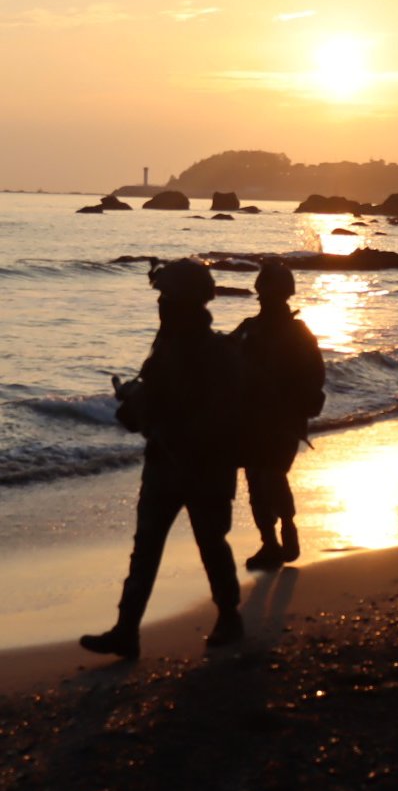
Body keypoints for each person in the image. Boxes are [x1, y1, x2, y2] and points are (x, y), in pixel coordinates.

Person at [80, 258, 242, 659]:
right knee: (148, 546)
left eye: (167, 297)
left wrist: (143, 408)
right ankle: (126, 630)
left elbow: (205, 411)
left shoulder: (208, 353)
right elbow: (150, 405)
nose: (161, 305)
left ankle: (229, 618)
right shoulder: (172, 347)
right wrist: (136, 404)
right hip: (169, 464)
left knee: (209, 544)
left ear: (185, 303)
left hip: (201, 466)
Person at [232, 260, 325, 572]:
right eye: (261, 293)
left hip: (283, 421)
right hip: (249, 421)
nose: (262, 299)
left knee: (271, 476)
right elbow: (220, 360)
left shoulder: (298, 333)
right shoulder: (248, 329)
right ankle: (269, 543)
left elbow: (315, 377)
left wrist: (297, 408)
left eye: (268, 293)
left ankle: (287, 525)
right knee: (256, 483)